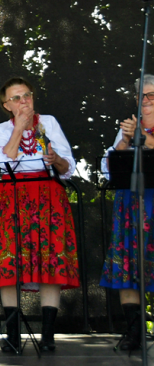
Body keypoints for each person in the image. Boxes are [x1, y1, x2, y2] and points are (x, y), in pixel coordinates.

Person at [0, 76, 79, 353]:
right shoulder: (3, 128)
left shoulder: (48, 122)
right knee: (9, 258)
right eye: (16, 98)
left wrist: (56, 160)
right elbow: (4, 161)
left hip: (48, 194)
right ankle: (12, 333)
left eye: (26, 95)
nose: (23, 101)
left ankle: (48, 334)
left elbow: (67, 166)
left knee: (51, 257)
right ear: (6, 105)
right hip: (13, 195)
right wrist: (20, 129)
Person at [99, 74, 154, 351]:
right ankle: (135, 331)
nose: (145, 102)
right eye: (141, 97)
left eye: (152, 96)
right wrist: (124, 141)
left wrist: (143, 139)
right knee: (129, 267)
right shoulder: (129, 127)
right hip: (130, 205)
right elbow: (108, 167)